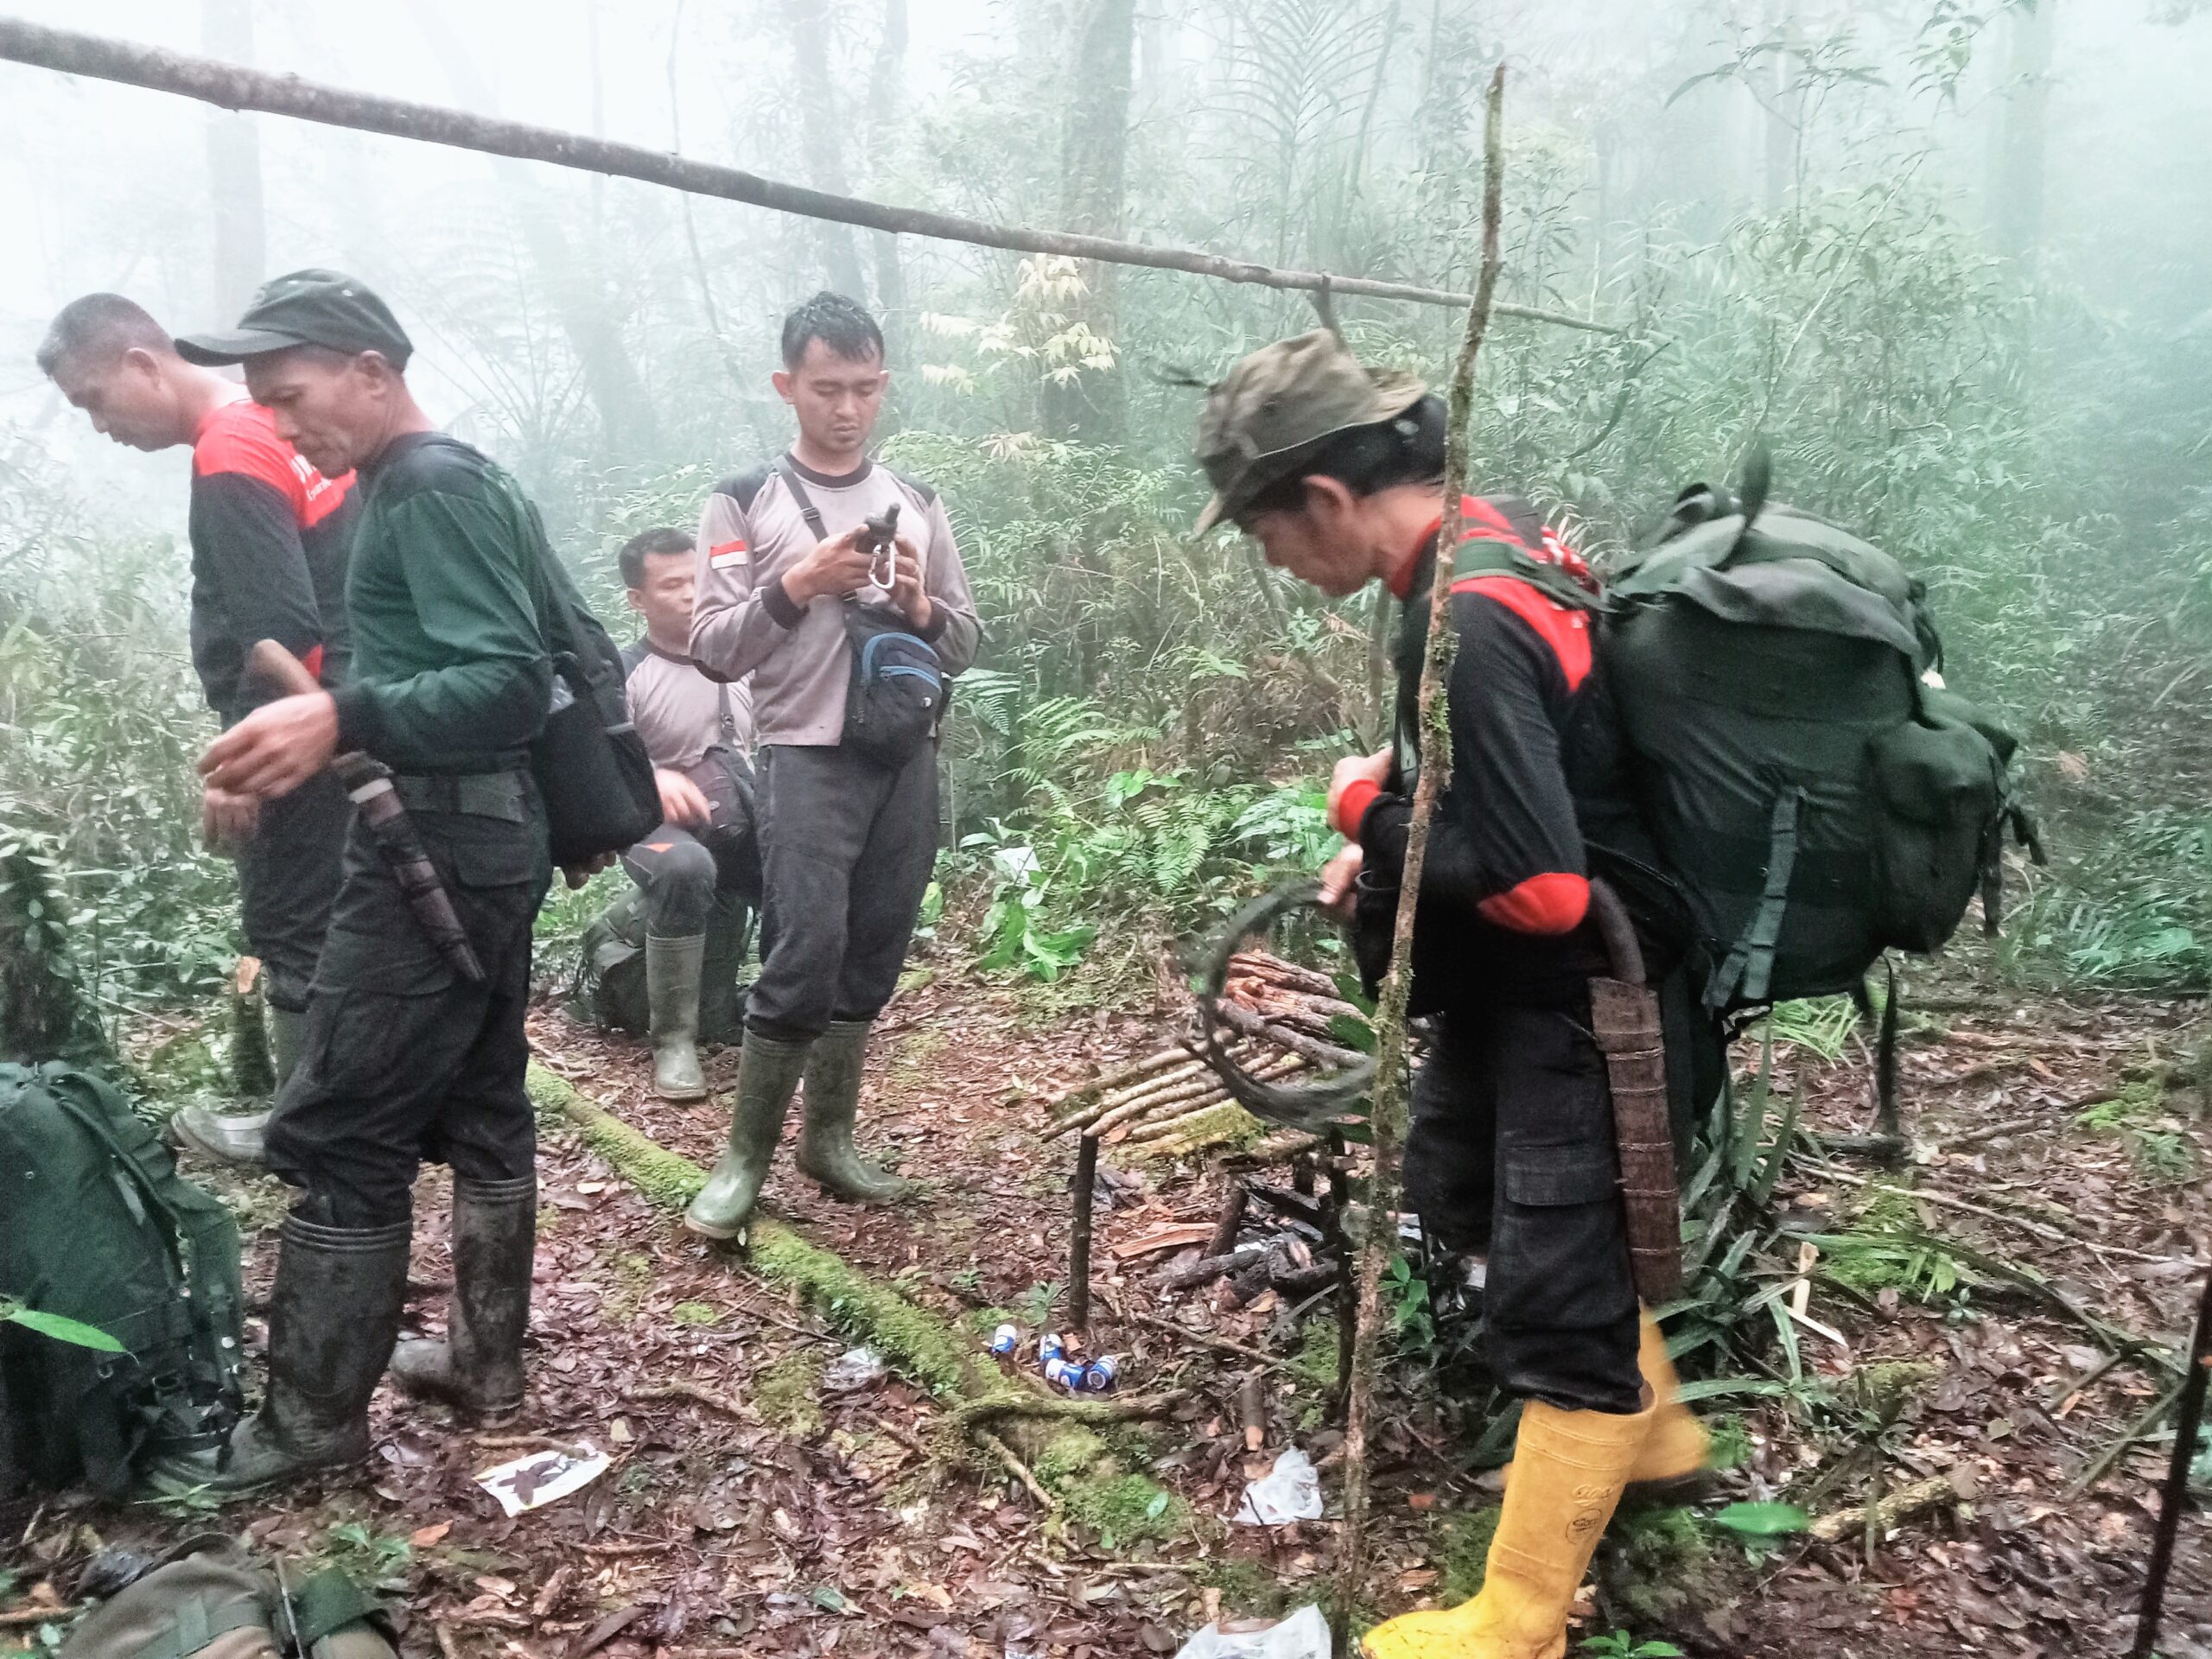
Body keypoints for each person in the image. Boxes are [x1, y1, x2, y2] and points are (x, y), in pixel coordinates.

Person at [1189, 331, 1709, 1659]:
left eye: (1267, 537)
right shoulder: (1501, 538)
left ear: (1322, 500)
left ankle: (1519, 1619)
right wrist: (1392, 821)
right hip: (1527, 991)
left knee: (1555, 1298)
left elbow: (1536, 883)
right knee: (1468, 1192)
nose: (1279, 567)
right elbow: (1515, 775)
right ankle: (1651, 1437)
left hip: (1582, 996)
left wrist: (1365, 807)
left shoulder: (1464, 610)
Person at [159, 270, 565, 1491]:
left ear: (371, 372)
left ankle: (306, 1431)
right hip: (488, 835)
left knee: (338, 1125)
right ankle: (486, 1364)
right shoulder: (446, 481)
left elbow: (507, 679)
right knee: (487, 1098)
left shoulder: (430, 489)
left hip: (441, 840)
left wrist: (344, 712)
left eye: (291, 396)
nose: (282, 427)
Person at [683, 291, 980, 1241]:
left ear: (883, 386)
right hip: (806, 757)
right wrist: (799, 583)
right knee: (803, 950)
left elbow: (966, 636)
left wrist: (919, 607)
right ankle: (742, 1163)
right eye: (824, 389)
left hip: (905, 752)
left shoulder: (920, 501)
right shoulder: (742, 500)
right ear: (787, 387)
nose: (845, 409)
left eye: (862, 389)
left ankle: (831, 1139)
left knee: (875, 945)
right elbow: (713, 646)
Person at [36, 293, 356, 1166]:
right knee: (342, 916)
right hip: (348, 712)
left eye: (93, 399)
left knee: (292, 924)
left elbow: (277, 632)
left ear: (145, 364)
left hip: (304, 730)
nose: (100, 425)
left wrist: (240, 764)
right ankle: (345, 1113)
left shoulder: (231, 451)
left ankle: (305, 1137)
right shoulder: (274, 427)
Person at [613, 526, 760, 1099]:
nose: (689, 594)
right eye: (671, 584)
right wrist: (653, 776)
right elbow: (599, 767)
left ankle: (788, 1012)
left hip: (735, 812)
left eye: (696, 579)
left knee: (808, 855)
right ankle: (672, 1040)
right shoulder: (624, 672)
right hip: (651, 826)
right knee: (685, 868)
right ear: (637, 600)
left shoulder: (742, 659)